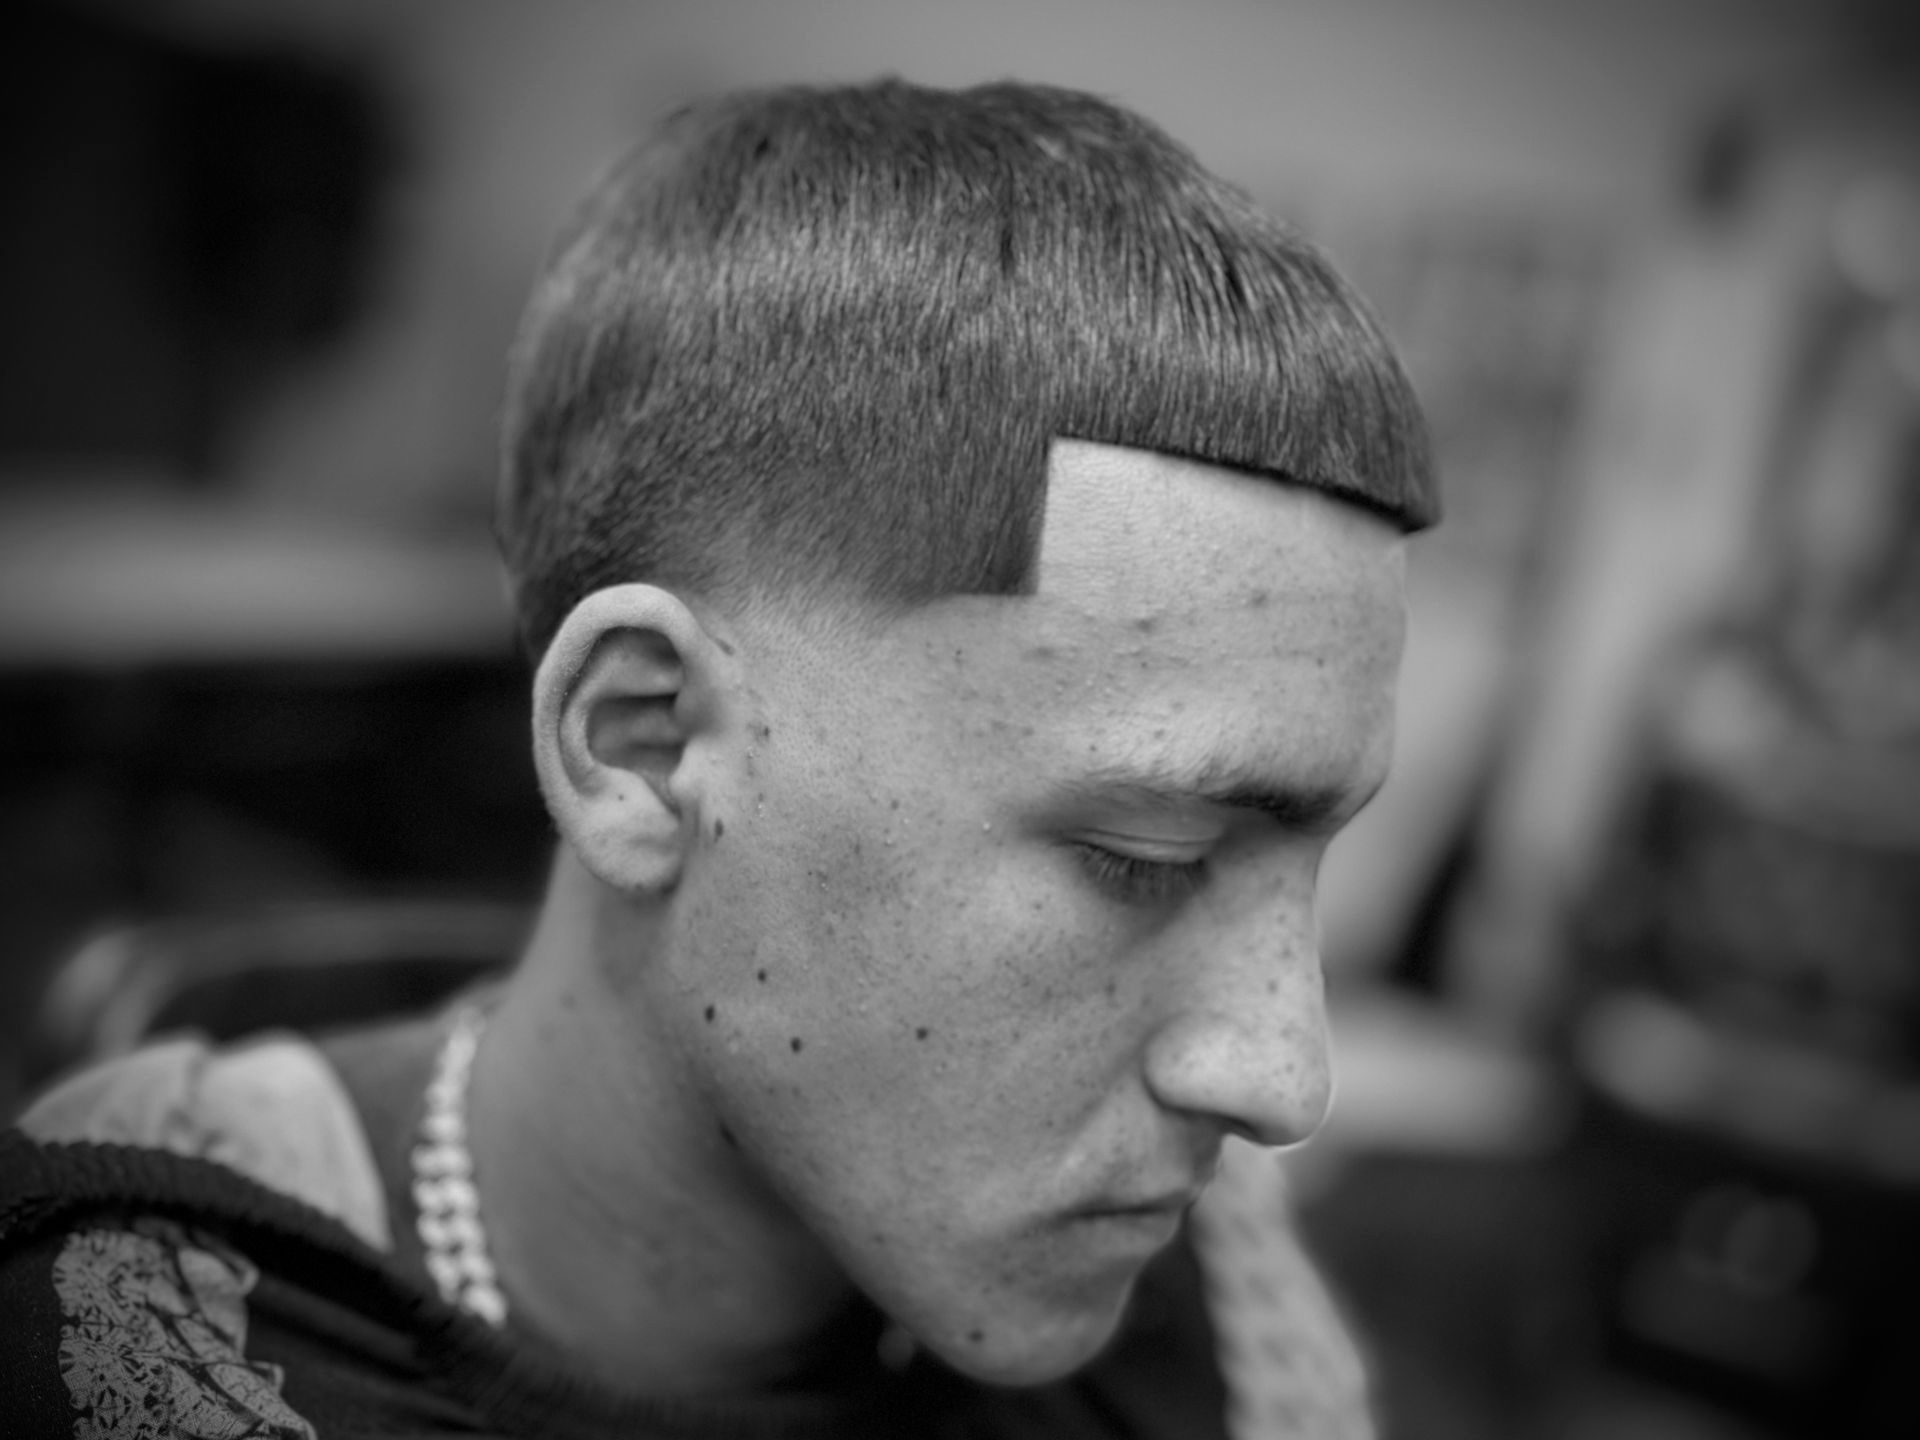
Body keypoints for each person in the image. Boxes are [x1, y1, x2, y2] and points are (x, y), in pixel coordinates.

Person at [1, 77, 1436, 1439]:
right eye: (1147, 856)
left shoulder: (1213, 1329)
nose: (1282, 1079)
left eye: (1306, 866)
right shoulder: (131, 1340)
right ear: (644, 745)